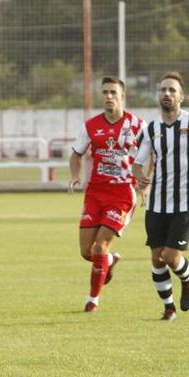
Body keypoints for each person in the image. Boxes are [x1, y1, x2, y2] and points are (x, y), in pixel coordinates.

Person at [68, 76, 145, 313]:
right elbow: (76, 154)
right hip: (95, 193)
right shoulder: (91, 126)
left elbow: (150, 155)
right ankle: (110, 261)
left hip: (122, 194)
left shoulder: (138, 125)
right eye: (105, 92)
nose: (109, 96)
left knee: (100, 248)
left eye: (113, 92)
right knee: (86, 252)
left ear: (122, 96)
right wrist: (75, 175)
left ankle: (93, 300)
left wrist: (144, 185)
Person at [134, 71, 189, 321]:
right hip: (156, 203)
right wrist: (139, 177)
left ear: (182, 96)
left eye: (172, 90)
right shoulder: (150, 129)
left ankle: (187, 281)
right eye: (163, 90)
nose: (166, 94)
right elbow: (138, 162)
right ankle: (169, 308)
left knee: (170, 256)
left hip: (184, 203)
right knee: (157, 258)